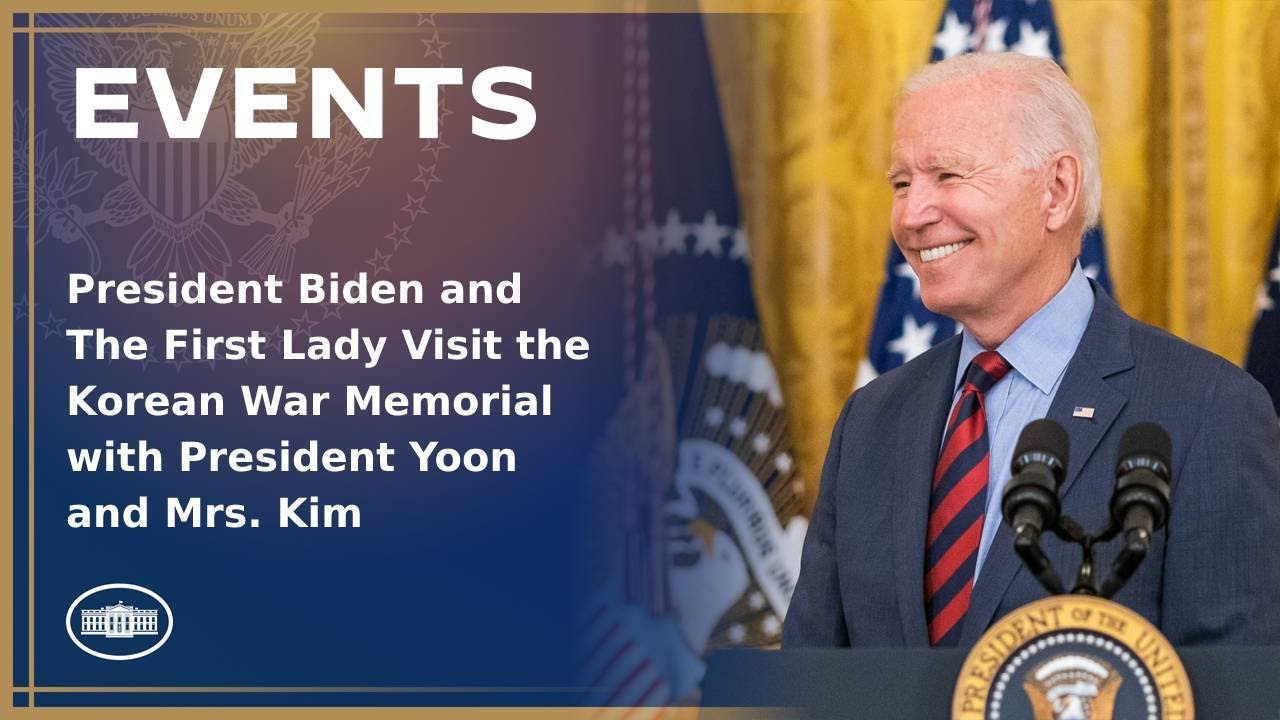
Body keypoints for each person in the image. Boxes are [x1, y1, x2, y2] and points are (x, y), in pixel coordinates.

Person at [782, 52, 1280, 649]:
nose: (913, 215)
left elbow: (1236, 691)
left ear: (1057, 191)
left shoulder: (1209, 413)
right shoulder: (870, 421)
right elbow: (809, 684)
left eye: (948, 175)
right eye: (901, 183)